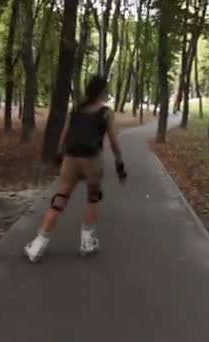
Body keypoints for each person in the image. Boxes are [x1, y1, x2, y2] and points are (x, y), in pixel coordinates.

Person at [24, 75, 127, 262]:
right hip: (92, 161)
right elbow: (113, 142)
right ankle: (87, 242)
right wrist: (119, 165)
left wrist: (59, 156)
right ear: (102, 92)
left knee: (60, 200)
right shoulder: (105, 113)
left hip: (71, 160)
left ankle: (37, 246)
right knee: (92, 198)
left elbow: (64, 135)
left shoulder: (76, 109)